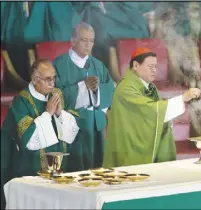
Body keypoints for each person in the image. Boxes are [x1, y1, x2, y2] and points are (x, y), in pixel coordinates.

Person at [103, 48, 201, 168]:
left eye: (155, 66)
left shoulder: (150, 88)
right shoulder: (126, 88)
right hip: (129, 148)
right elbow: (152, 111)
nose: (154, 70)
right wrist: (183, 98)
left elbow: (157, 113)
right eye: (150, 67)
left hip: (138, 141)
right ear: (135, 65)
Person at [1, 59, 79, 209]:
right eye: (48, 79)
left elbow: (72, 131)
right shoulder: (21, 101)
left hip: (59, 172)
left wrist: (59, 114)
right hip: (29, 171)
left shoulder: (57, 95)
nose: (52, 83)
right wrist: (48, 114)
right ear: (35, 79)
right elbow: (29, 139)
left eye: (54, 78)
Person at [53, 22, 115, 171]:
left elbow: (110, 89)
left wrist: (96, 91)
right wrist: (82, 87)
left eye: (92, 41)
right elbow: (54, 95)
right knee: (77, 172)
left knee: (98, 170)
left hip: (96, 127)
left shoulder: (98, 65)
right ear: (73, 41)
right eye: (84, 40)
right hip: (73, 128)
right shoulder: (58, 65)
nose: (88, 45)